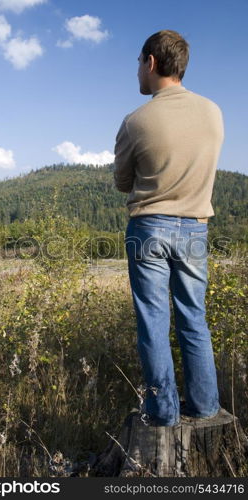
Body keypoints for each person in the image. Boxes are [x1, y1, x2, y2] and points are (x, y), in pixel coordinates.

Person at [114, 30, 224, 426]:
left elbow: (123, 182)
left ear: (151, 62)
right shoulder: (213, 111)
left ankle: (162, 414)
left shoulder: (135, 121)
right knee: (194, 317)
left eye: (139, 64)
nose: (138, 73)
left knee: (154, 324)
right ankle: (207, 407)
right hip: (196, 227)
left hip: (149, 228)